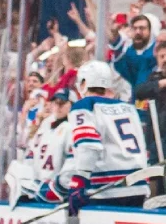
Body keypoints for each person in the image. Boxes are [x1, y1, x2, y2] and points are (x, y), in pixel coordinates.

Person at [52, 61, 151, 213]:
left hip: (106, 190)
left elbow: (88, 145)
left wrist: (80, 180)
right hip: (138, 187)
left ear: (84, 83)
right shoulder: (129, 108)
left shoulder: (85, 105)